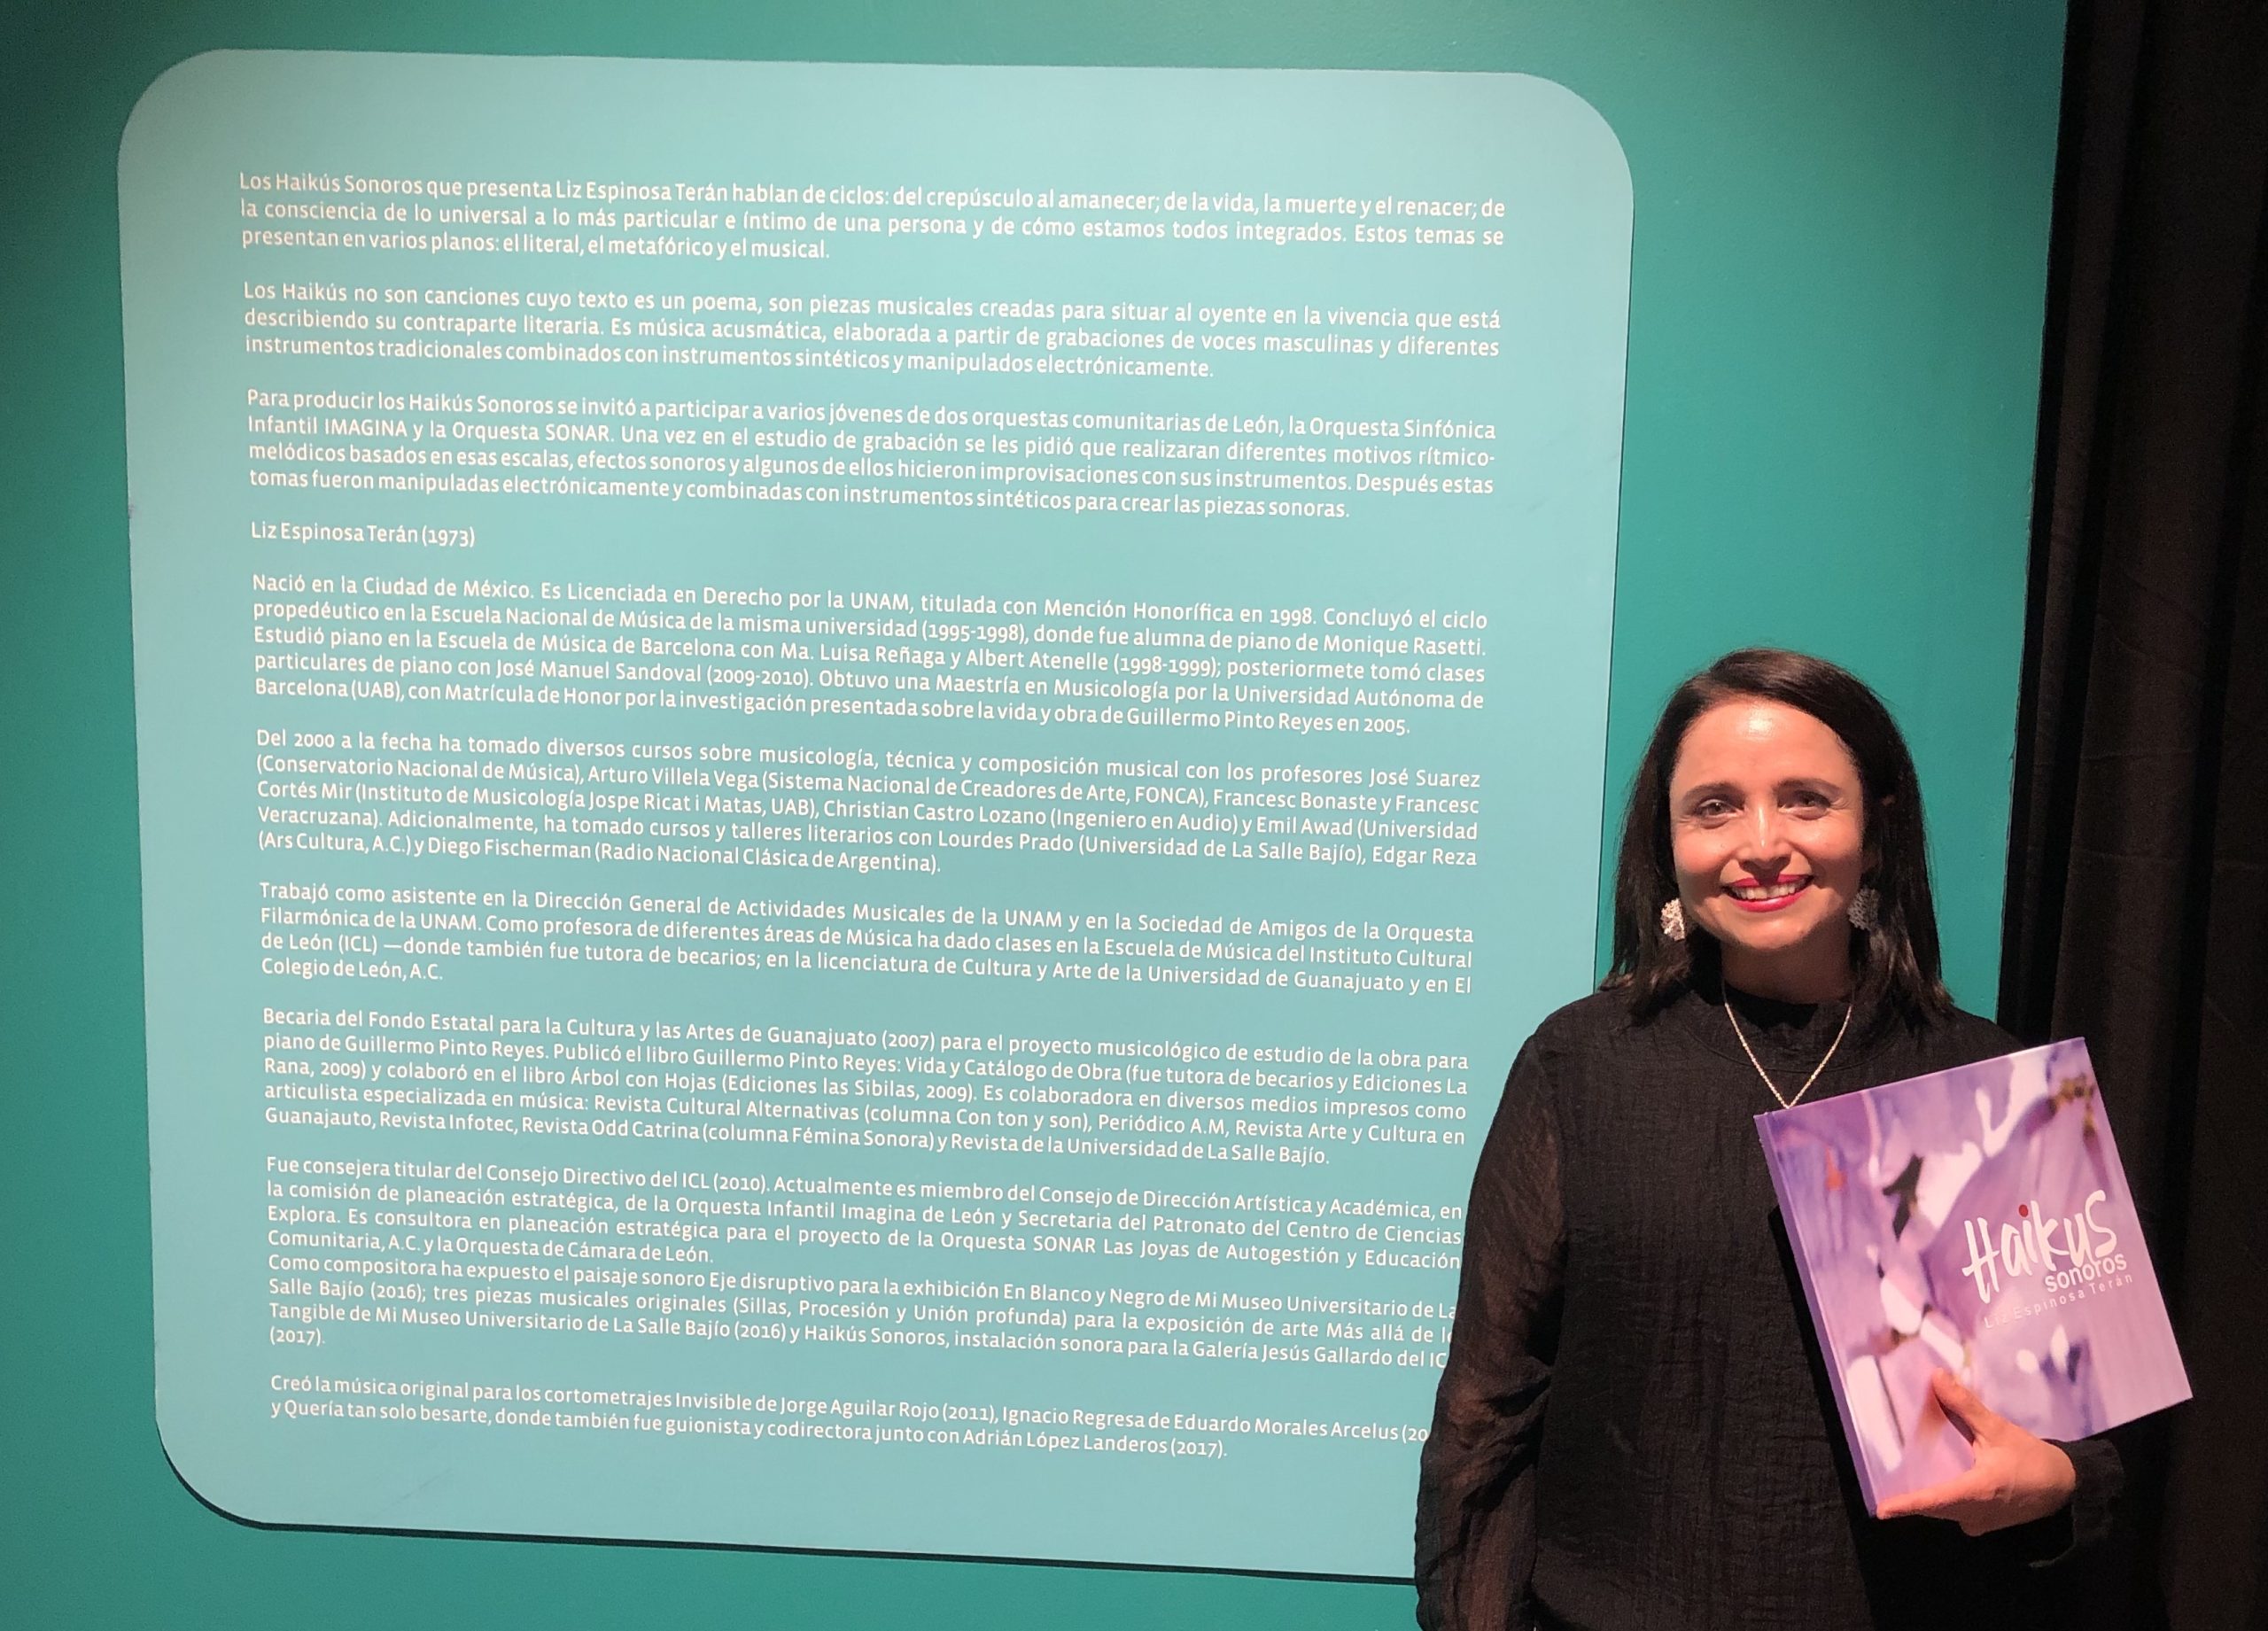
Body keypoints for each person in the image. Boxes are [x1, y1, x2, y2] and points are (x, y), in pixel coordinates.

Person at [1413, 648, 2120, 1630]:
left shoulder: (1990, 1085)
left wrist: (2052, 1481)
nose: (1761, 844)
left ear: (1875, 832)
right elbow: (1486, 1412)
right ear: (1667, 843)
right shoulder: (1577, 1065)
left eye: (1805, 801)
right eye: (1714, 807)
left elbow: (2092, 1429)